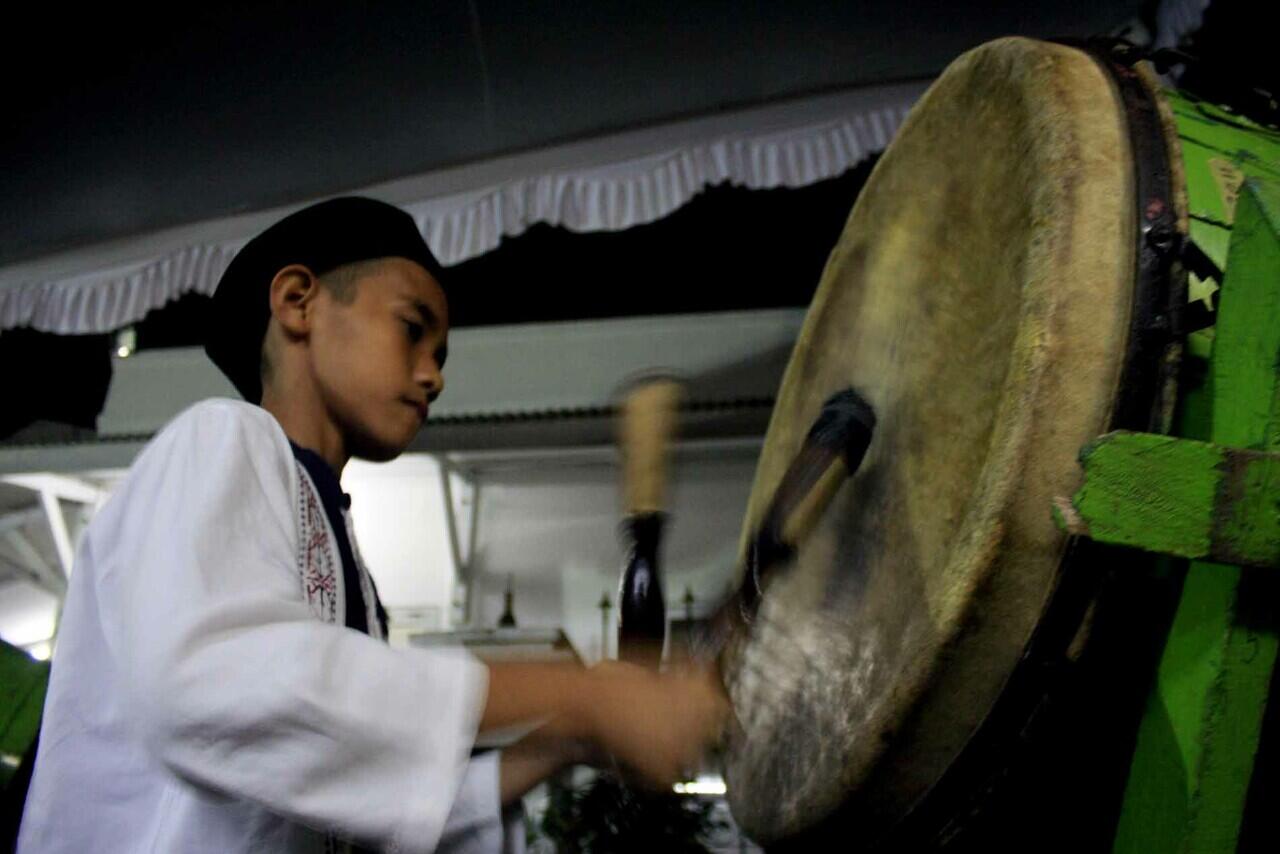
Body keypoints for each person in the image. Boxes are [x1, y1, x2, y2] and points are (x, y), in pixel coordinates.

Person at [16, 197, 728, 853]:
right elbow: (209, 684)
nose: (434, 377)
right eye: (413, 331)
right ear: (299, 303)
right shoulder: (220, 439)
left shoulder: (348, 561)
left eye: (440, 356)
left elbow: (369, 811)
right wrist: (581, 690)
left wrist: (570, 737)